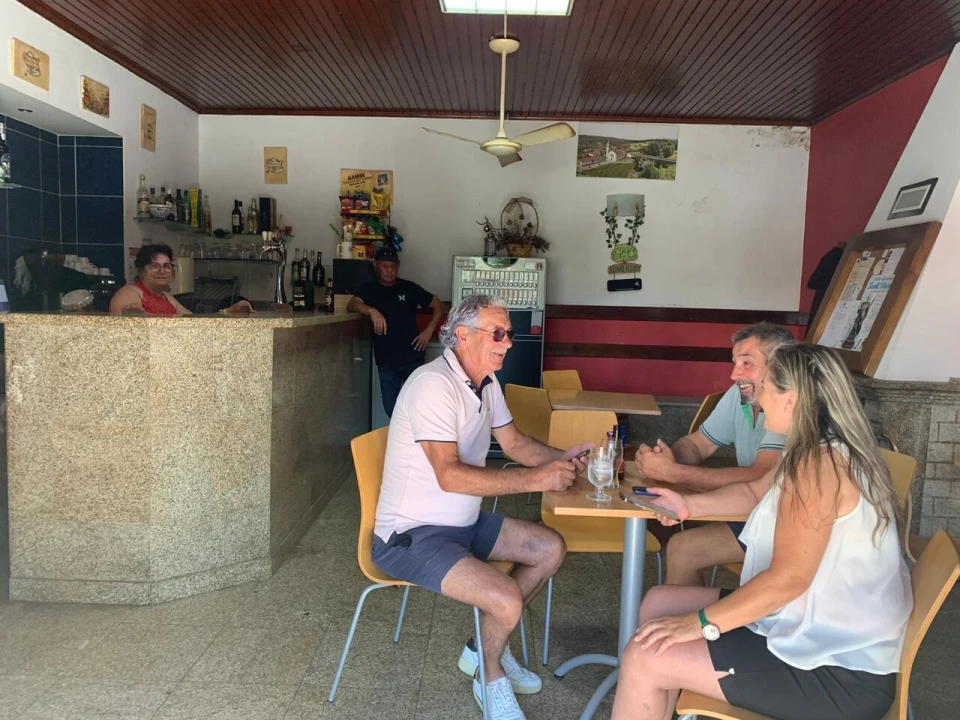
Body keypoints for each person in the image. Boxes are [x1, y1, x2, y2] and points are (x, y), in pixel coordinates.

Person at [611, 343, 912, 720]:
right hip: (808, 628)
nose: (758, 398)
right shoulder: (816, 450)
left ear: (793, 400)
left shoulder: (819, 469)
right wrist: (687, 506)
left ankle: (647, 685)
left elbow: (787, 580)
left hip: (835, 671)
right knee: (660, 602)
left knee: (645, 656)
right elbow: (756, 494)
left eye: (767, 386)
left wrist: (699, 625)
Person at [372, 294, 593, 720]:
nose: (508, 342)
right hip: (410, 536)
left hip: (462, 522)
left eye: (508, 333)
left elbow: (515, 444)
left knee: (549, 548)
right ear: (462, 335)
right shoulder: (432, 385)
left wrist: (564, 460)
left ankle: (483, 644)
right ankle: (489, 677)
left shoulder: (486, 384)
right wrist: (534, 479)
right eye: (498, 333)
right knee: (506, 598)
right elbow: (449, 476)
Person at [636, 322, 795, 586]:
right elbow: (698, 444)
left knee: (684, 549)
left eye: (747, 363)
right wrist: (667, 461)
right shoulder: (740, 395)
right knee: (682, 547)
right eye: (734, 363)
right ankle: (683, 625)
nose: (734, 374)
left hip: (786, 526)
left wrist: (674, 474)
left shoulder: (789, 410)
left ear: (781, 367)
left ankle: (690, 625)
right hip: (757, 512)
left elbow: (759, 476)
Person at [347, 246, 445, 416]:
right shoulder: (369, 289)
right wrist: (371, 310)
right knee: (391, 409)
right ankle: (399, 441)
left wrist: (429, 330)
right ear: (376, 266)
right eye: (385, 266)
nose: (389, 270)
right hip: (386, 361)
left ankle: (414, 442)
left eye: (393, 266)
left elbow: (438, 305)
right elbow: (351, 304)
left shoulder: (409, 288)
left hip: (413, 357)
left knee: (415, 408)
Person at [108, 243, 253, 315]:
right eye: (154, 266)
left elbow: (194, 321)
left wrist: (229, 311)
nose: (162, 271)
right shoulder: (130, 292)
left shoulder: (166, 297)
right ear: (141, 271)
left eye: (166, 266)